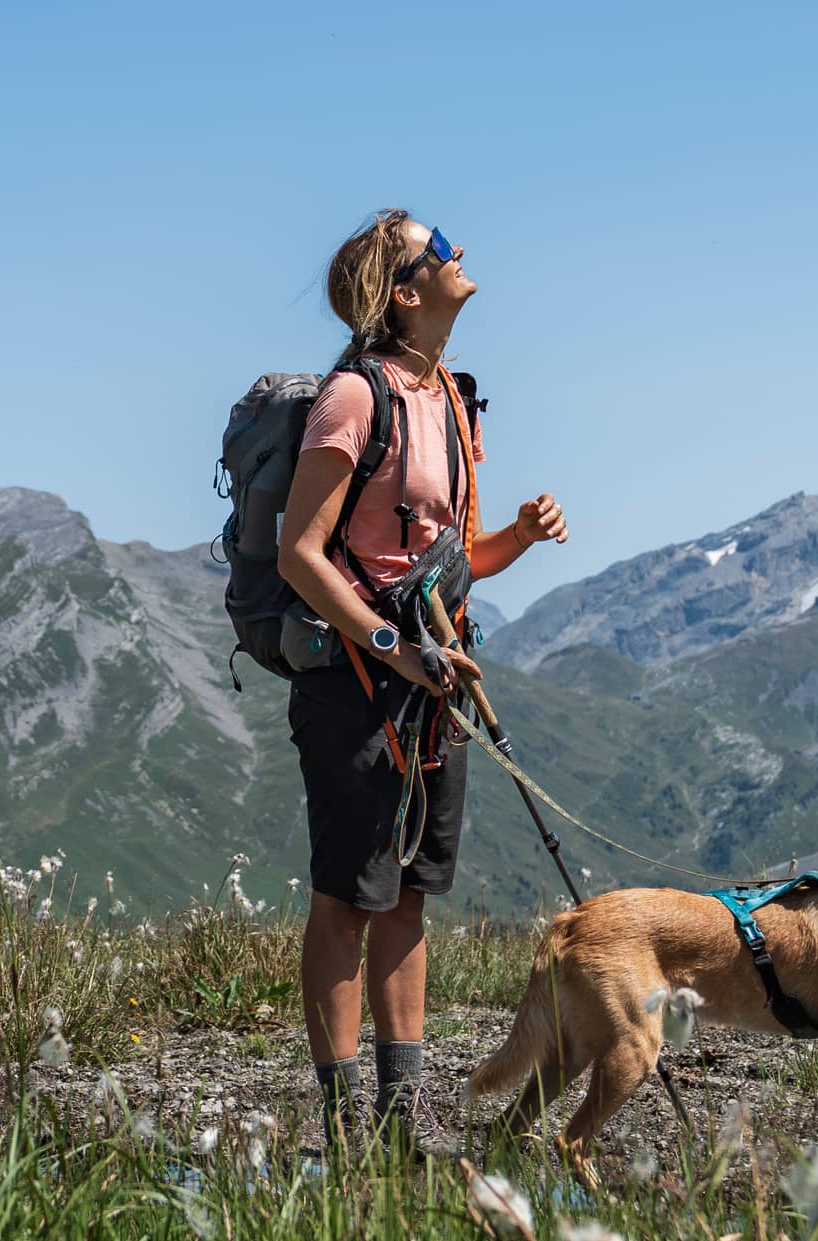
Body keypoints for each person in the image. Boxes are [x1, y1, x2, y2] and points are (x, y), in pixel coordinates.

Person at [277, 209, 568, 1158]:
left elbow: (446, 563)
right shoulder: (354, 400)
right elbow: (300, 553)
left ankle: (402, 1124)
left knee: (406, 896)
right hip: (358, 682)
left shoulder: (449, 394)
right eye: (435, 244)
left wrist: (515, 538)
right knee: (346, 897)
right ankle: (341, 1126)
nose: (458, 250)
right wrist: (394, 649)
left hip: (428, 679)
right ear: (405, 292)